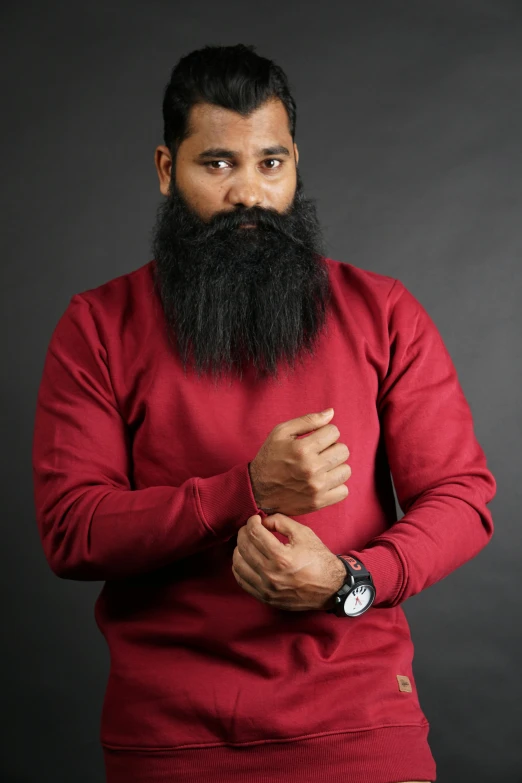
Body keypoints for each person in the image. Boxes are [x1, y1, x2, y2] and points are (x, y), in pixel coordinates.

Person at [31, 43, 496, 783]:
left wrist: (349, 579)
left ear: (294, 167)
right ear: (165, 170)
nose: (248, 192)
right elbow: (72, 530)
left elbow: (463, 498)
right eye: (218, 164)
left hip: (361, 732)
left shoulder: (384, 311)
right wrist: (245, 489)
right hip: (169, 745)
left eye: (270, 163)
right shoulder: (97, 325)